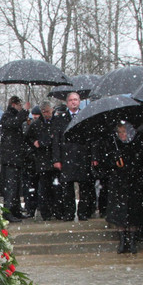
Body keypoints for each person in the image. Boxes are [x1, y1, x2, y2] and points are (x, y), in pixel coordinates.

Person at [104, 121, 143, 252]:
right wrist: (114, 159)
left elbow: (141, 161)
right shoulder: (113, 144)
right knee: (119, 212)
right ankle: (122, 240)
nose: (122, 135)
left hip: (133, 182)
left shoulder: (136, 144)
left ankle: (132, 240)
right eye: (120, 132)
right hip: (118, 183)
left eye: (124, 132)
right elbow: (107, 163)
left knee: (133, 212)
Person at [53, 91, 94, 221]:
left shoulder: (85, 117)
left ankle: (83, 212)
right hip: (66, 157)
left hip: (83, 156)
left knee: (85, 187)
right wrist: (56, 159)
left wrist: (94, 157)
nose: (73, 102)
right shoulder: (60, 119)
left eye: (76, 100)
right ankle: (69, 213)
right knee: (67, 188)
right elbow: (56, 141)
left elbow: (92, 139)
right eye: (71, 100)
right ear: (67, 103)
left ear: (80, 101)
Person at [26, 101, 62, 220]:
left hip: (55, 158)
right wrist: (35, 143)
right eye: (44, 112)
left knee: (56, 187)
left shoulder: (57, 122)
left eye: (48, 111)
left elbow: (57, 139)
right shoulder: (37, 124)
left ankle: (57, 210)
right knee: (44, 188)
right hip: (42, 160)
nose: (46, 114)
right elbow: (28, 137)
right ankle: (46, 212)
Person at [0, 96, 29, 220]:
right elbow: (14, 123)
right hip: (10, 158)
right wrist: (24, 112)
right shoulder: (7, 116)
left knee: (16, 186)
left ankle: (15, 209)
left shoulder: (15, 116)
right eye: (19, 105)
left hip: (16, 157)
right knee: (10, 186)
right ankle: (8, 210)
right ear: (14, 104)